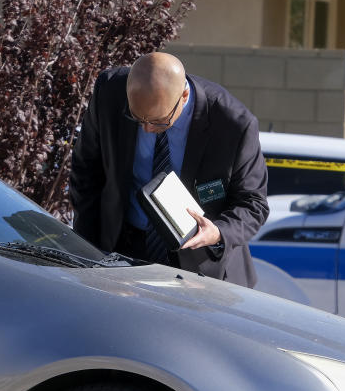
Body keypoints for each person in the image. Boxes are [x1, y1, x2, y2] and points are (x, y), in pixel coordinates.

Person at [69, 52, 269, 288]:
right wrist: (88, 249)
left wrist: (217, 232)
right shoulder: (110, 91)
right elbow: (86, 171)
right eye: (136, 118)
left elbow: (253, 203)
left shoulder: (233, 123)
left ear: (184, 96)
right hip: (121, 250)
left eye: (159, 121)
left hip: (201, 268)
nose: (146, 129)